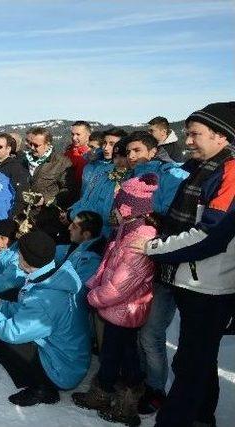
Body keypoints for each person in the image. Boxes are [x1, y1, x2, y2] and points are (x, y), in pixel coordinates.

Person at [136, 102, 235, 426]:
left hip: (210, 287)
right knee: (200, 361)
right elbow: (189, 220)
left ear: (222, 136)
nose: (187, 141)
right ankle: (203, 418)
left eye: (195, 134)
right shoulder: (201, 167)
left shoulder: (231, 172)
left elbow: (211, 235)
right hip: (190, 278)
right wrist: (160, 223)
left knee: (190, 364)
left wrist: (152, 247)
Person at [73, 175, 159, 426]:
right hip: (118, 309)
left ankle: (123, 404)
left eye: (117, 206)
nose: (113, 211)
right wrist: (93, 285)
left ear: (127, 208)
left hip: (124, 309)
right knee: (119, 352)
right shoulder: (127, 230)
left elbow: (120, 285)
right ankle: (111, 393)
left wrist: (94, 296)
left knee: (117, 355)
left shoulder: (139, 241)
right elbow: (109, 267)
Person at [0, 230, 91, 407]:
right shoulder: (55, 276)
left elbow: (12, 332)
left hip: (61, 370)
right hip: (71, 359)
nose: (16, 255)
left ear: (26, 260)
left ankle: (42, 387)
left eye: (19, 253)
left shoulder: (45, 299)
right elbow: (27, 308)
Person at [21, 127, 75, 205]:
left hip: (46, 212)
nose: (32, 148)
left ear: (48, 144)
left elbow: (68, 189)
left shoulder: (61, 162)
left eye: (36, 145)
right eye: (31, 144)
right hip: (25, 210)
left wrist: (46, 199)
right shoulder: (25, 160)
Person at [65, 121, 92, 191]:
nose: (74, 138)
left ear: (88, 135)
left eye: (78, 134)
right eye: (72, 134)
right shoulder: (68, 153)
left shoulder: (94, 155)